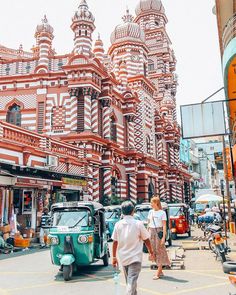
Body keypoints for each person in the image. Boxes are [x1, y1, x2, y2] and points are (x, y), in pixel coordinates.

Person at [112, 201, 154, 295]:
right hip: (135, 258)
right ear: (133, 211)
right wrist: (151, 251)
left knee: (130, 282)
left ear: (122, 212)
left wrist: (114, 257)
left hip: (123, 258)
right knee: (131, 282)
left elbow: (115, 242)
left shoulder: (118, 224)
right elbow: (146, 239)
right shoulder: (138, 224)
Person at [147, 196, 171, 280]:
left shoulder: (162, 213)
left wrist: (164, 237)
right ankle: (160, 270)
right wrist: (147, 234)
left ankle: (158, 272)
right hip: (151, 233)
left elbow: (164, 226)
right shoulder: (150, 212)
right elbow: (148, 223)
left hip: (158, 233)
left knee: (160, 251)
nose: (150, 204)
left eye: (151, 202)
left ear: (156, 203)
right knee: (152, 251)